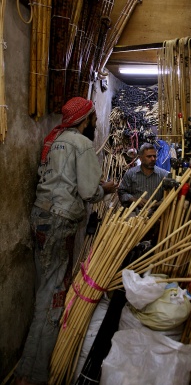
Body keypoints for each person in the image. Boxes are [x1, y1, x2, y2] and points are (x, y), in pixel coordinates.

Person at [14, 97, 117, 385]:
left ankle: (26, 372)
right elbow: (88, 191)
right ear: (85, 120)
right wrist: (105, 189)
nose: (95, 123)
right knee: (53, 299)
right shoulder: (81, 144)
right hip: (59, 222)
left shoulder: (54, 139)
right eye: (94, 118)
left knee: (44, 293)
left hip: (41, 217)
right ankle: (33, 376)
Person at [118, 143, 169, 214]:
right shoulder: (131, 173)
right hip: (134, 214)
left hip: (156, 214)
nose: (153, 159)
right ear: (141, 158)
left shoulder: (164, 175)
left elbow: (169, 196)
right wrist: (135, 200)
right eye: (149, 156)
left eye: (154, 156)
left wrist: (156, 204)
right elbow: (121, 193)